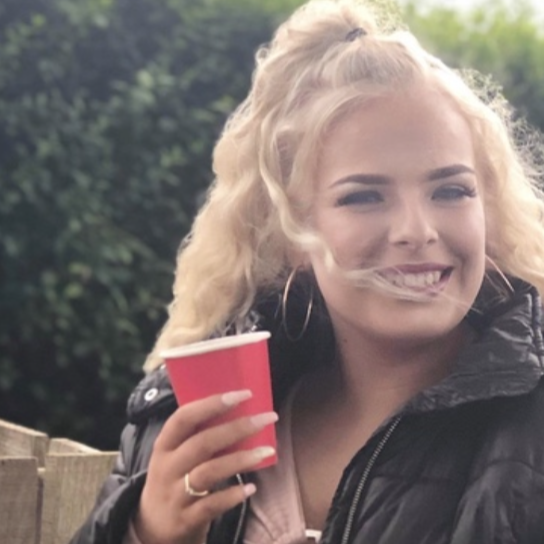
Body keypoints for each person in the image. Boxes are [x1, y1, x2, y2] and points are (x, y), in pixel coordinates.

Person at [70, 0, 544, 543]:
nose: (418, 229)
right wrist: (143, 531)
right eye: (364, 196)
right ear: (295, 232)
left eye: (451, 190)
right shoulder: (189, 420)